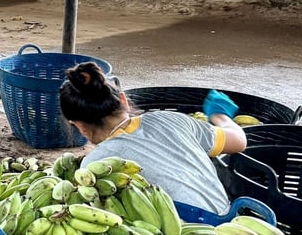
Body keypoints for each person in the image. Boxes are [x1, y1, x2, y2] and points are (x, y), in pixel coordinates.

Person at [59, 62, 246, 214]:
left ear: (78, 126)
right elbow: (239, 141)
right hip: (230, 220)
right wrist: (219, 115)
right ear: (123, 100)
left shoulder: (94, 167)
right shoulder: (172, 119)